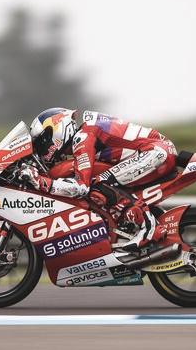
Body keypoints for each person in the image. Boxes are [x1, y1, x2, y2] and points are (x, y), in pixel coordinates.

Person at [19, 107, 178, 252]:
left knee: (99, 184)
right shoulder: (86, 133)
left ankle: (149, 228)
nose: (43, 149)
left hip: (154, 152)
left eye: (43, 141)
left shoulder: (83, 137)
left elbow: (81, 187)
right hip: (155, 151)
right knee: (103, 182)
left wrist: (40, 182)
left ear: (57, 129)